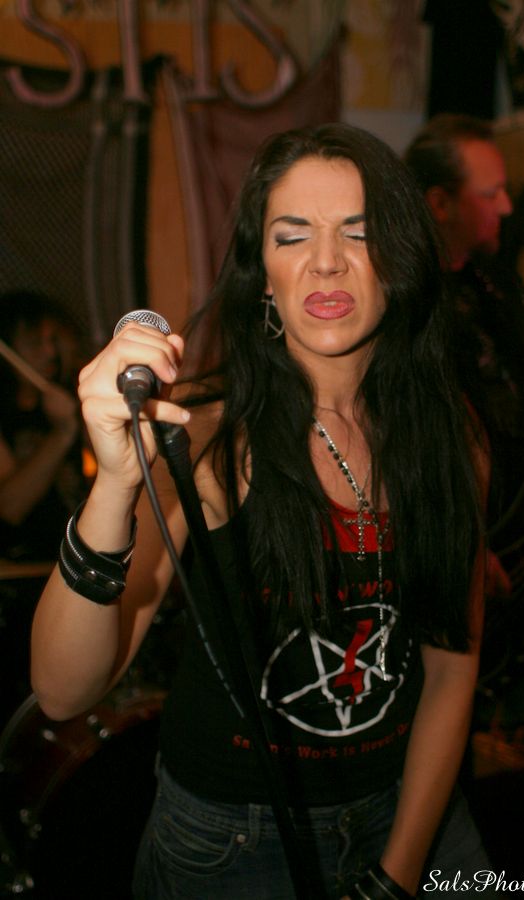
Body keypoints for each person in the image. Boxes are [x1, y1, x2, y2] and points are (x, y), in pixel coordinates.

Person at [31, 123, 492, 900]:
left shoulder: (453, 441)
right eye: (292, 235)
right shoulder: (208, 440)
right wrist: (114, 484)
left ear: (402, 257)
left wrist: (400, 872)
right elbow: (62, 691)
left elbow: (451, 668)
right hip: (234, 845)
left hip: (414, 812)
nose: (326, 260)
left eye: (359, 232)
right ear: (264, 277)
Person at [404, 113, 524, 875]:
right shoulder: (405, 302)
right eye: (491, 193)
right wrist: (465, 540)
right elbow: (408, 435)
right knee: (445, 728)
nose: (509, 207)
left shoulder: (495, 283)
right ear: (439, 202)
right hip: (467, 551)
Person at [0, 292, 89, 724]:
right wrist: (62, 434)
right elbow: (9, 506)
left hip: (72, 572)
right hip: (20, 587)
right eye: (36, 342)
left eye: (55, 341)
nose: (50, 353)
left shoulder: (68, 401)